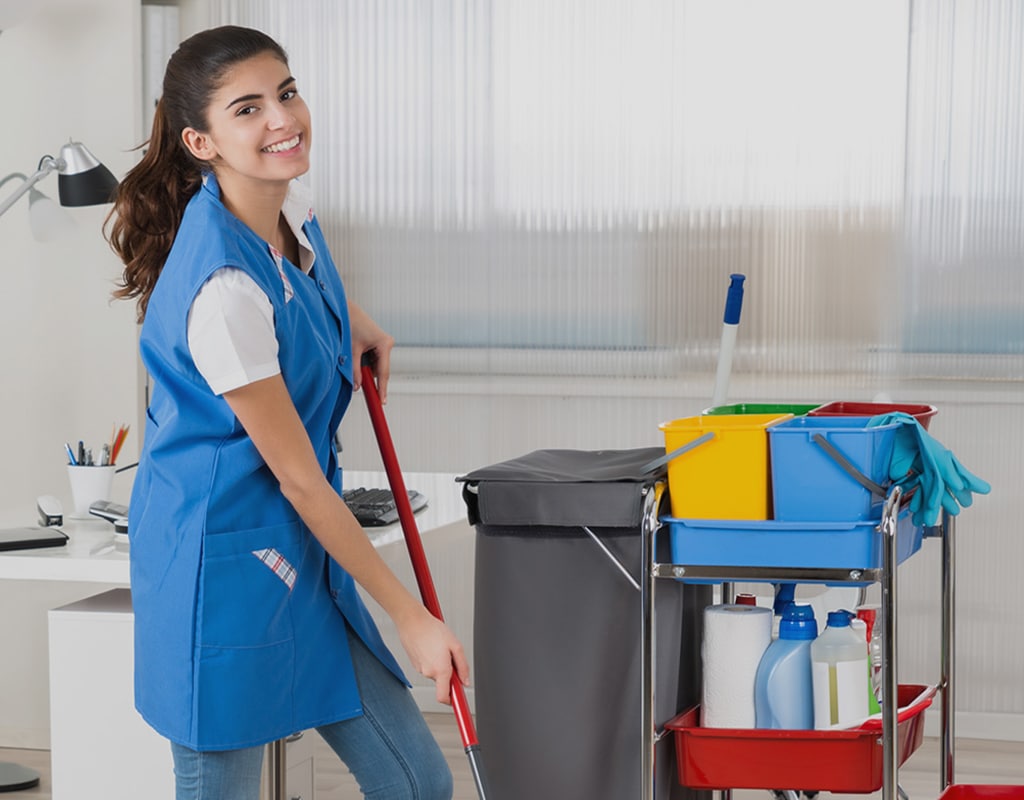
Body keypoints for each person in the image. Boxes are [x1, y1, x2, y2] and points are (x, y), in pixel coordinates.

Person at [104, 25, 466, 800]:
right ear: (202, 141)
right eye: (248, 109)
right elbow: (302, 480)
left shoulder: (288, 212)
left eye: (287, 92)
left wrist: (348, 319)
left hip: (301, 551)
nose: (282, 119)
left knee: (416, 782)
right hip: (218, 562)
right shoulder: (220, 294)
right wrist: (410, 617)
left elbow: (295, 280)